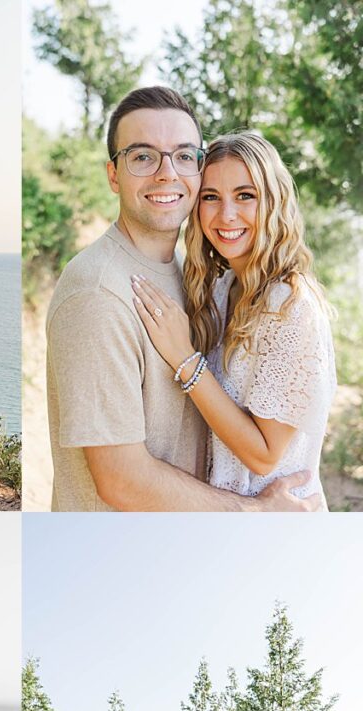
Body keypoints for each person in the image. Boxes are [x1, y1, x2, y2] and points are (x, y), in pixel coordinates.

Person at [45, 85, 318, 512]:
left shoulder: (194, 278)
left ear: (197, 167)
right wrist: (258, 513)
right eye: (142, 156)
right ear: (114, 174)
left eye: (183, 155)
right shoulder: (98, 293)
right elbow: (121, 481)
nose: (166, 173)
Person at [131, 131, 336, 506]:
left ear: (273, 202)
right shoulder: (224, 289)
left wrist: (185, 359)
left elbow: (264, 454)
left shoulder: (290, 305)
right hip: (231, 516)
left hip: (280, 521)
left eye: (245, 196)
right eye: (211, 197)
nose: (226, 215)